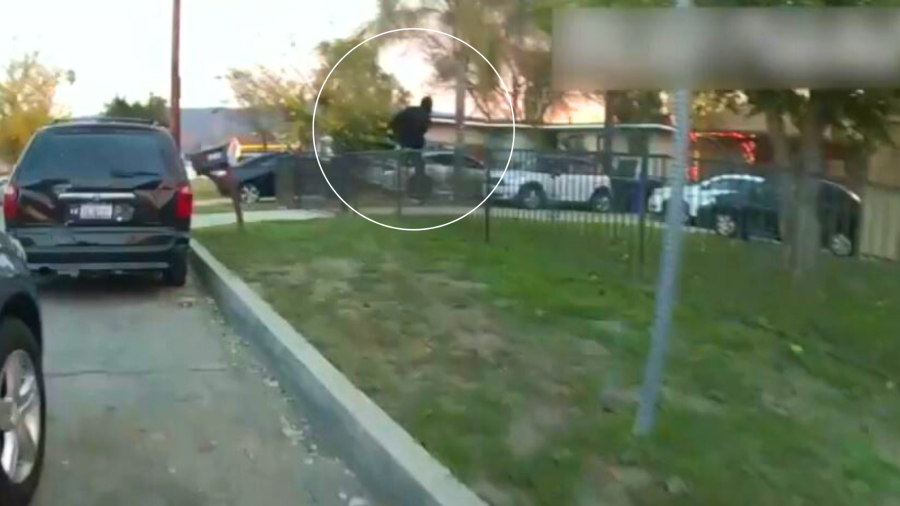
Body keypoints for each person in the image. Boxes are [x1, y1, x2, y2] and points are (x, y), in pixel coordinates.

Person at [389, 97, 433, 200]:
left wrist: (395, 133)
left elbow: (394, 121)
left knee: (401, 163)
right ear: (429, 106)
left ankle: (398, 189)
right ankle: (418, 192)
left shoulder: (410, 110)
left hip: (403, 141)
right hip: (416, 144)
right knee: (419, 165)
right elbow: (424, 129)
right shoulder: (425, 116)